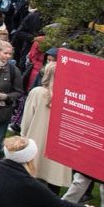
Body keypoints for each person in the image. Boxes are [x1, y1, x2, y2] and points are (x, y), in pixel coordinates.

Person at [19, 62, 71, 191]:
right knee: (53, 180)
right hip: (59, 145)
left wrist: (24, 135)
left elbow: (26, 120)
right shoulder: (70, 98)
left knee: (33, 178)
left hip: (36, 141)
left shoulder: (37, 93)